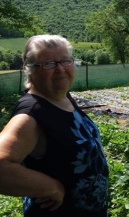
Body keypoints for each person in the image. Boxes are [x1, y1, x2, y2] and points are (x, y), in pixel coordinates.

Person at [0, 34, 109, 217]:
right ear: (31, 70)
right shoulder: (31, 114)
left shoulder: (60, 96)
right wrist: (52, 188)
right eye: (49, 63)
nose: (60, 69)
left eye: (65, 61)